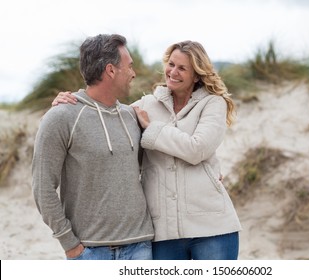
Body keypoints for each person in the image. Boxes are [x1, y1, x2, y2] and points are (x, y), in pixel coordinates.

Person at [52, 40, 242, 260]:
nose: (173, 72)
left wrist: (152, 130)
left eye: (182, 68)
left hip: (212, 225)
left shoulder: (212, 103)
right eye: (171, 64)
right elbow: (104, 115)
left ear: (197, 75)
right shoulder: (146, 105)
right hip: (164, 233)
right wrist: (68, 103)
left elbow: (197, 149)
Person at [32, 34, 154, 260]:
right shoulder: (61, 116)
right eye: (129, 67)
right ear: (110, 70)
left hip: (140, 246)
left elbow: (155, 168)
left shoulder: (132, 116)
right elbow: (43, 186)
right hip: (90, 251)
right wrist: (70, 244)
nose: (134, 73)